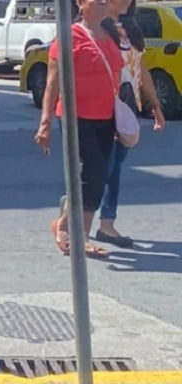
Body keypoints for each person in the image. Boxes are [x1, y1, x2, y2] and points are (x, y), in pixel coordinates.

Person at [35, 0, 124, 259]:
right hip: (76, 117)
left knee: (100, 174)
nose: (104, 4)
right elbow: (52, 85)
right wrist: (45, 123)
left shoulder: (112, 35)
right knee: (92, 172)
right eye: (97, 0)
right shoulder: (68, 37)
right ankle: (81, 236)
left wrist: (121, 118)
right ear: (80, 4)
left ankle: (64, 224)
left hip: (106, 118)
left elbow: (117, 77)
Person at [95, 0, 164, 247]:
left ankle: (105, 223)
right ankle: (73, 217)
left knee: (113, 169)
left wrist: (154, 103)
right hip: (103, 108)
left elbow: (140, 69)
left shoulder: (131, 29)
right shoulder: (97, 28)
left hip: (126, 108)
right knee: (103, 168)